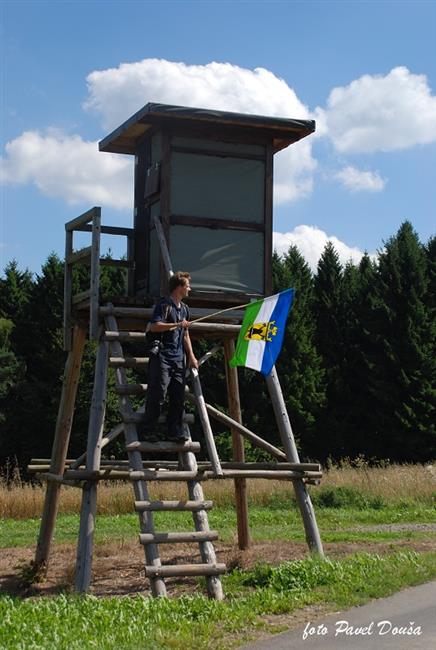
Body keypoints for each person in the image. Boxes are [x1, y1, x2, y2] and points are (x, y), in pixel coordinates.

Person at [140, 271, 198, 441]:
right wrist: (177, 324)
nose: (189, 288)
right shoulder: (164, 305)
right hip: (162, 356)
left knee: (178, 396)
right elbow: (154, 326)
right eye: (187, 285)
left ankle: (174, 432)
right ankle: (147, 430)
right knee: (158, 393)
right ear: (179, 287)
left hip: (179, 358)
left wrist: (192, 357)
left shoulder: (185, 309)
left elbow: (185, 335)